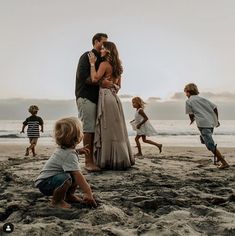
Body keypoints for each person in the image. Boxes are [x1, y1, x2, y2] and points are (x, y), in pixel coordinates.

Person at [88, 41, 134, 170]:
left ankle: (107, 160)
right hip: (115, 98)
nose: (100, 51)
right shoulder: (118, 67)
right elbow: (119, 87)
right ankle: (121, 158)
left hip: (106, 97)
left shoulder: (104, 64)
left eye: (103, 49)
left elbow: (95, 79)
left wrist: (92, 63)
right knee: (116, 129)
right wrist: (113, 85)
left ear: (108, 51)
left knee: (107, 128)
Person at [35, 117, 97, 209]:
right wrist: (87, 192)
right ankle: (57, 201)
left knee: (70, 176)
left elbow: (67, 154)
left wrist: (78, 151)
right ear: (77, 137)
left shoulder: (65, 150)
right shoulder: (69, 155)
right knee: (69, 177)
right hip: (46, 184)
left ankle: (68, 196)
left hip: (48, 181)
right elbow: (78, 175)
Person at [75, 33, 113, 172]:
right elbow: (83, 77)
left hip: (98, 99)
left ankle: (95, 159)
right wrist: (101, 82)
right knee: (89, 129)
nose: (105, 46)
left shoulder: (103, 59)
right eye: (103, 43)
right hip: (86, 97)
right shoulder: (87, 56)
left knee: (96, 129)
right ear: (95, 42)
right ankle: (88, 162)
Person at [184, 83, 229, 169]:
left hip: (202, 124)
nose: (186, 95)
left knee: (210, 145)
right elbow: (215, 107)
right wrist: (216, 120)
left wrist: (191, 120)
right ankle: (218, 155)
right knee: (207, 141)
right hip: (210, 124)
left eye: (186, 93)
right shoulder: (203, 99)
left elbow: (190, 114)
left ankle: (224, 162)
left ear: (188, 92)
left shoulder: (189, 101)